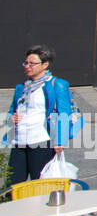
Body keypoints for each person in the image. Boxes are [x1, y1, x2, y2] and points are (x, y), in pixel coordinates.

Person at [7, 46, 73, 184]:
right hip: (19, 141)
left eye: (32, 63)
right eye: (26, 63)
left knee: (40, 183)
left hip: (41, 141)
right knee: (12, 184)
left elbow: (65, 113)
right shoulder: (21, 87)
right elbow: (12, 110)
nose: (27, 66)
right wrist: (11, 118)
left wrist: (60, 140)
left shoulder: (57, 85)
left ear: (45, 64)